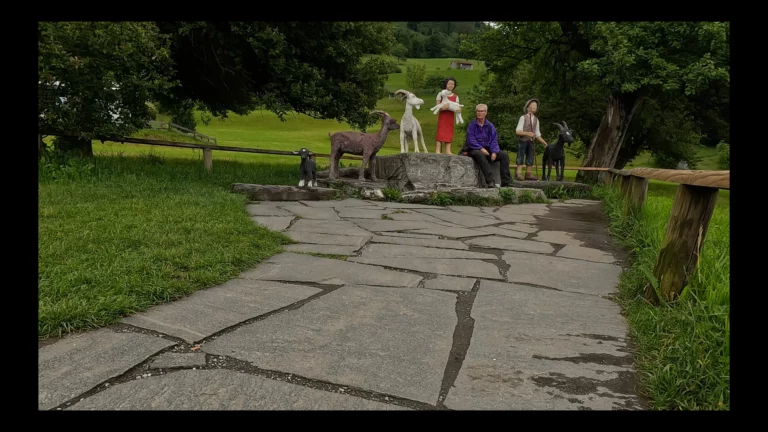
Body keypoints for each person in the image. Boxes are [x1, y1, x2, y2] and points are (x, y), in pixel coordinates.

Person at [462, 104, 512, 187]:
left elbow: (494, 139)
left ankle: (505, 182)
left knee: (504, 155)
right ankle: (490, 181)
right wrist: (481, 148)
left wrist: (494, 152)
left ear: (486, 113)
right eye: (478, 111)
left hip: (488, 149)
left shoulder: (490, 125)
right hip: (474, 149)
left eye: (482, 111)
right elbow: (471, 140)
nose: (480, 113)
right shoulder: (472, 125)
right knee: (480, 154)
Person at [515, 98, 548, 181]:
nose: (534, 107)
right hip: (523, 141)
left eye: (535, 106)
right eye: (532, 105)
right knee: (520, 156)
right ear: (528, 107)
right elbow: (518, 131)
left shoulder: (536, 120)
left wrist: (543, 142)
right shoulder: (523, 118)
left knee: (530, 156)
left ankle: (528, 173)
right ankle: (518, 173)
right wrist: (527, 133)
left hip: (531, 142)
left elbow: (537, 134)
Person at [435, 77, 460, 155]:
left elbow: (457, 107)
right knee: (440, 131)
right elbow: (437, 106)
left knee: (449, 132)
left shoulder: (455, 97)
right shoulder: (441, 94)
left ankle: (448, 150)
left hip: (450, 117)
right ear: (446, 84)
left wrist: (458, 110)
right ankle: (438, 150)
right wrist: (443, 108)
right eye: (449, 83)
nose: (451, 85)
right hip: (443, 117)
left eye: (453, 84)